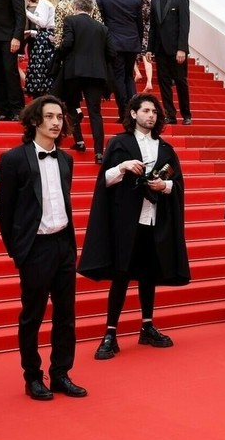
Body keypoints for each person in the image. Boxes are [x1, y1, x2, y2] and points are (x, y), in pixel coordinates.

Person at [79, 93, 190, 360]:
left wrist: (164, 185)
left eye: (154, 112)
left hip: (154, 220)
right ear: (133, 113)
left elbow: (178, 184)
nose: (151, 115)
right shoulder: (120, 143)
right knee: (121, 275)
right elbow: (104, 180)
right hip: (126, 222)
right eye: (146, 111)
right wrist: (123, 166)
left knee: (149, 275)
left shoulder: (166, 148)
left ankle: (147, 326)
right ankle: (110, 333)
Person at [0, 95, 87, 401]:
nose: (56, 122)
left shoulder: (66, 160)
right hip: (35, 248)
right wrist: (18, 251)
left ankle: (61, 373)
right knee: (32, 315)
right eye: (49, 116)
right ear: (35, 120)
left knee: (66, 315)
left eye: (60, 117)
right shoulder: (13, 159)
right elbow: (4, 210)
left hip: (63, 244)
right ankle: (33, 377)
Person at [61, 0, 115, 162]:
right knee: (95, 112)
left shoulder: (70, 21)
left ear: (75, 7)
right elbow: (111, 53)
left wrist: (60, 52)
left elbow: (67, 43)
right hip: (96, 73)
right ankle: (99, 152)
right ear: (91, 9)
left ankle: (79, 140)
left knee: (71, 105)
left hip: (75, 71)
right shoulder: (102, 28)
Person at [97, 0, 143, 118]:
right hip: (132, 42)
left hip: (114, 43)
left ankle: (124, 111)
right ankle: (134, 109)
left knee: (118, 77)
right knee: (129, 76)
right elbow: (139, 24)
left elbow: (101, 22)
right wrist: (138, 43)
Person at [148, 0, 191, 125]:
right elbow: (153, 27)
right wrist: (149, 49)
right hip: (160, 49)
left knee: (180, 82)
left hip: (176, 49)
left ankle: (186, 114)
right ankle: (170, 115)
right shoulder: (154, 1)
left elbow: (184, 26)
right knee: (164, 83)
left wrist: (182, 49)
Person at [23, 0, 55, 97]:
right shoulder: (47, 2)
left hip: (43, 43)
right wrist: (32, 32)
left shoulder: (44, 2)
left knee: (41, 71)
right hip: (44, 38)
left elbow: (42, 23)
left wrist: (25, 12)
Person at [130, 0, 153, 92]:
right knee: (146, 57)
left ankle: (137, 72)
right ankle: (149, 82)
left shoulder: (134, 4)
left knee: (132, 54)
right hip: (147, 33)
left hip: (136, 32)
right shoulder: (149, 4)